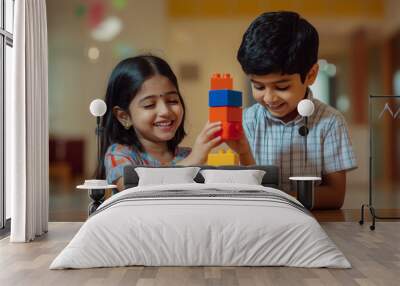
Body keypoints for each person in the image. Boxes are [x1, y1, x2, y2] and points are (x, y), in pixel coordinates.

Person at [237, 11, 357, 209]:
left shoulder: (330, 122)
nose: (269, 98)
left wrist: (275, 198)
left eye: (282, 87)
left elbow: (335, 195)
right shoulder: (247, 121)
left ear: (310, 75)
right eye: (258, 86)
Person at [99, 55, 254, 192]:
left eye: (172, 101)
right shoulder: (119, 155)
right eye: (149, 105)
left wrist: (244, 153)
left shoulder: (186, 155)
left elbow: (245, 190)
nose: (165, 111)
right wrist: (192, 161)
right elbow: (136, 191)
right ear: (124, 116)